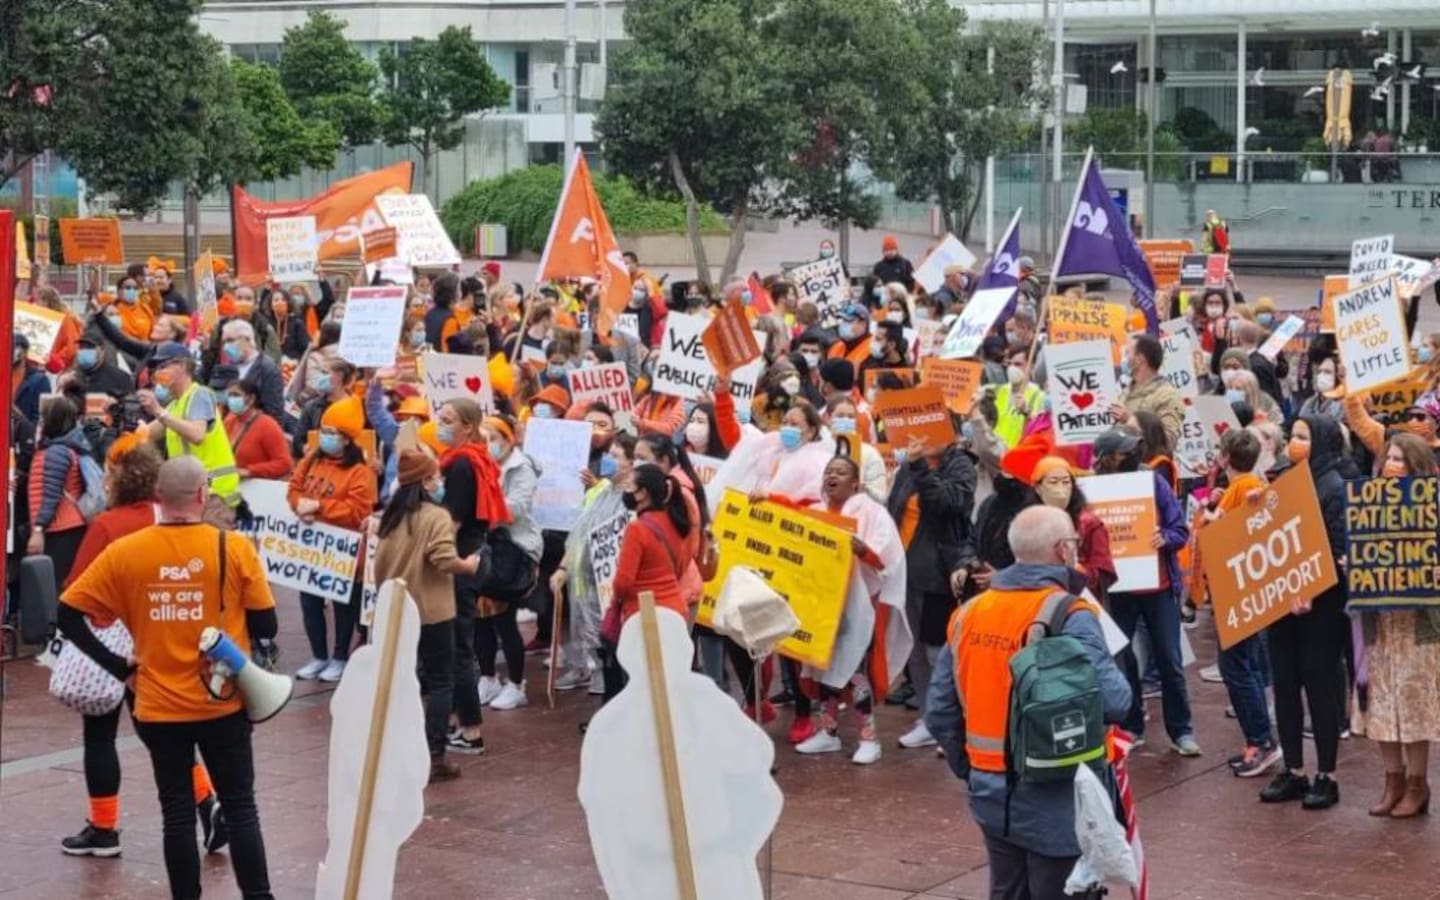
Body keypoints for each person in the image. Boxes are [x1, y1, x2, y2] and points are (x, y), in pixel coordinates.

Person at [59, 457, 278, 900]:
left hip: (157, 704)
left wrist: (120, 667)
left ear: (159, 498)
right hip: (222, 700)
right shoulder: (233, 548)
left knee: (176, 813)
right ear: (201, 496)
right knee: (240, 809)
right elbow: (268, 626)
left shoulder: (126, 551)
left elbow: (68, 613)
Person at [925, 505, 1131, 900]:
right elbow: (1116, 701)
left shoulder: (968, 613)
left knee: (1007, 889)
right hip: (1056, 789)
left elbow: (940, 711)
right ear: (1062, 550)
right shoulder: (1069, 613)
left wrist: (971, 768)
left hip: (989, 789)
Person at [58, 436, 227, 858]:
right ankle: (208, 804)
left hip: (113, 641)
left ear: (116, 477)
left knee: (99, 736)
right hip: (163, 638)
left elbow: (75, 590)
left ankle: (104, 828)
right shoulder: (164, 517)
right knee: (164, 736)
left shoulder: (108, 526)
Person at [784, 456, 911, 765]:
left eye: (840, 472)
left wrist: (862, 550)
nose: (832, 476)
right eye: (828, 471)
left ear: (855, 482)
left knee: (854, 671)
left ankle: (869, 738)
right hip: (822, 606)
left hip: (858, 605)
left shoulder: (873, 513)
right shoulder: (813, 512)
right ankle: (828, 733)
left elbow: (887, 560)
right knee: (823, 669)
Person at [372, 449, 483, 783]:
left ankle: (400, 749)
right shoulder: (436, 516)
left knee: (406, 680)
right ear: (424, 481)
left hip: (397, 610)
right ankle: (434, 755)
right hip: (433, 611)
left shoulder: (391, 517)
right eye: (435, 476)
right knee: (440, 682)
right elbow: (444, 558)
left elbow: (378, 566)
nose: (440, 482)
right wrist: (468, 565)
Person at [1260, 415, 1349, 810]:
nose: (1294, 443)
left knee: (1319, 686)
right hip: (1283, 603)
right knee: (1284, 685)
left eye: (1303, 437)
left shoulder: (1334, 487)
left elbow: (1336, 549)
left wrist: (1311, 588)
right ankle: (1293, 769)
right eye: (1292, 436)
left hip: (1321, 608)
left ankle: (1327, 775)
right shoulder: (1283, 481)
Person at [1092, 426, 1198, 756]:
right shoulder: (1090, 489)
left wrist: (1164, 537)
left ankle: (1181, 731)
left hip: (1159, 586)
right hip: (1119, 589)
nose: (1133, 455)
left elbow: (1179, 528)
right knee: (1123, 660)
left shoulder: (1152, 480)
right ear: (1107, 459)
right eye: (1125, 451)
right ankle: (1131, 725)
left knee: (1170, 659)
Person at [1354, 432, 1439, 818]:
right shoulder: (1367, 505)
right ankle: (1394, 780)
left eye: (1401, 460)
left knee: (1414, 702)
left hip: (1418, 623)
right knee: (1381, 702)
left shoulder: (1433, 506)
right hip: (1380, 622)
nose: (1392, 466)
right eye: (1389, 458)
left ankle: (1418, 785)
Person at [887, 431, 976, 751]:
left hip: (939, 574)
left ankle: (951, 721)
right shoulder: (908, 466)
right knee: (915, 650)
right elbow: (893, 508)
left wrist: (921, 468)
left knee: (938, 651)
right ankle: (928, 718)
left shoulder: (962, 465)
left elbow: (948, 503)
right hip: (905, 573)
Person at [1201, 429, 1282, 777]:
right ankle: (1258, 739)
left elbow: (1233, 531)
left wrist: (1212, 517)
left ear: (1224, 459)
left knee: (1237, 668)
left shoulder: (1245, 488)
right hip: (1239, 589)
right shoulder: (1249, 486)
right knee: (1240, 665)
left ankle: (1261, 741)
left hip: (1236, 591)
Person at [436, 399, 512, 753]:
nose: (441, 423)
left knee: (459, 648)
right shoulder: (474, 459)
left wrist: (434, 553)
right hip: (471, 555)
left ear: (467, 427)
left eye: (448, 419)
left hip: (461, 561)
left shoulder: (463, 464)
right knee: (456, 644)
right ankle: (455, 722)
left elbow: (452, 520)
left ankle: (471, 731)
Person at [288, 397, 378, 683]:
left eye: (332, 432)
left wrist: (320, 508)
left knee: (343, 606)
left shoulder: (360, 472)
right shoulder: (311, 459)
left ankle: (339, 656)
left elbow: (357, 511)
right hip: (311, 548)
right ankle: (318, 655)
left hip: (344, 552)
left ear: (347, 439)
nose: (325, 437)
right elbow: (294, 487)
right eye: (323, 430)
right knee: (310, 603)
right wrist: (299, 505)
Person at [605, 463, 694, 699]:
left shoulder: (637, 529)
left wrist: (616, 599)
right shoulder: (676, 522)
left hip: (644, 617)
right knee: (671, 686)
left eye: (630, 486)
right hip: (675, 610)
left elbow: (623, 583)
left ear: (643, 493)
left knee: (644, 689)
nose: (626, 490)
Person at [474, 415, 543, 712]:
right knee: (481, 620)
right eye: (484, 438)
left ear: (507, 439)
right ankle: (488, 677)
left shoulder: (520, 467)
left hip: (512, 549)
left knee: (504, 619)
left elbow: (517, 506)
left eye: (494, 438)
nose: (489, 445)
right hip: (483, 548)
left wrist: (483, 508)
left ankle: (516, 684)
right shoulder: (479, 464)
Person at [139, 342, 242, 523]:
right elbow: (146, 435)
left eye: (164, 366)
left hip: (215, 494)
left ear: (184, 366)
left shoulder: (200, 394)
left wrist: (159, 412)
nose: (158, 373)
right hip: (195, 494)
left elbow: (196, 434)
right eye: (156, 368)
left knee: (210, 549)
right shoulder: (176, 404)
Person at [26, 396, 92, 589]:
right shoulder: (68, 448)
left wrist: (38, 530)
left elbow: (50, 495)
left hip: (60, 529)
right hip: (68, 526)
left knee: (52, 587)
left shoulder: (56, 452)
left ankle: (56, 620)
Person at [1115, 333, 1185, 453]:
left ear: (1140, 360)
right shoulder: (1125, 393)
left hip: (1148, 467)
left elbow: (1168, 441)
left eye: (1127, 353)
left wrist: (1130, 420)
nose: (1124, 359)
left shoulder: (1167, 395)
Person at [223, 380, 293, 481]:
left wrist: (249, 471)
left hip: (256, 488)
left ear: (251, 399)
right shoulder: (230, 420)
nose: (232, 399)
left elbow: (284, 464)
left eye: (236, 395)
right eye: (229, 395)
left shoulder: (267, 425)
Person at [217, 320, 285, 423]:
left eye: (230, 340)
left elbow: (274, 413)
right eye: (224, 342)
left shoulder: (267, 369)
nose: (226, 347)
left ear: (247, 339)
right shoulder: (229, 368)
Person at [993, 346, 1045, 450]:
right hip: (997, 453)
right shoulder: (1000, 391)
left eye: (1017, 364)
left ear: (1031, 366)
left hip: (1019, 454)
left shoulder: (1039, 395)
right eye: (1009, 364)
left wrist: (1027, 412)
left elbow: (1041, 425)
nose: (1011, 368)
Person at [827, 304, 873, 368]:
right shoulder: (837, 346)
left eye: (848, 321)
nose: (843, 325)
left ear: (862, 324)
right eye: (843, 321)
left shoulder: (872, 351)